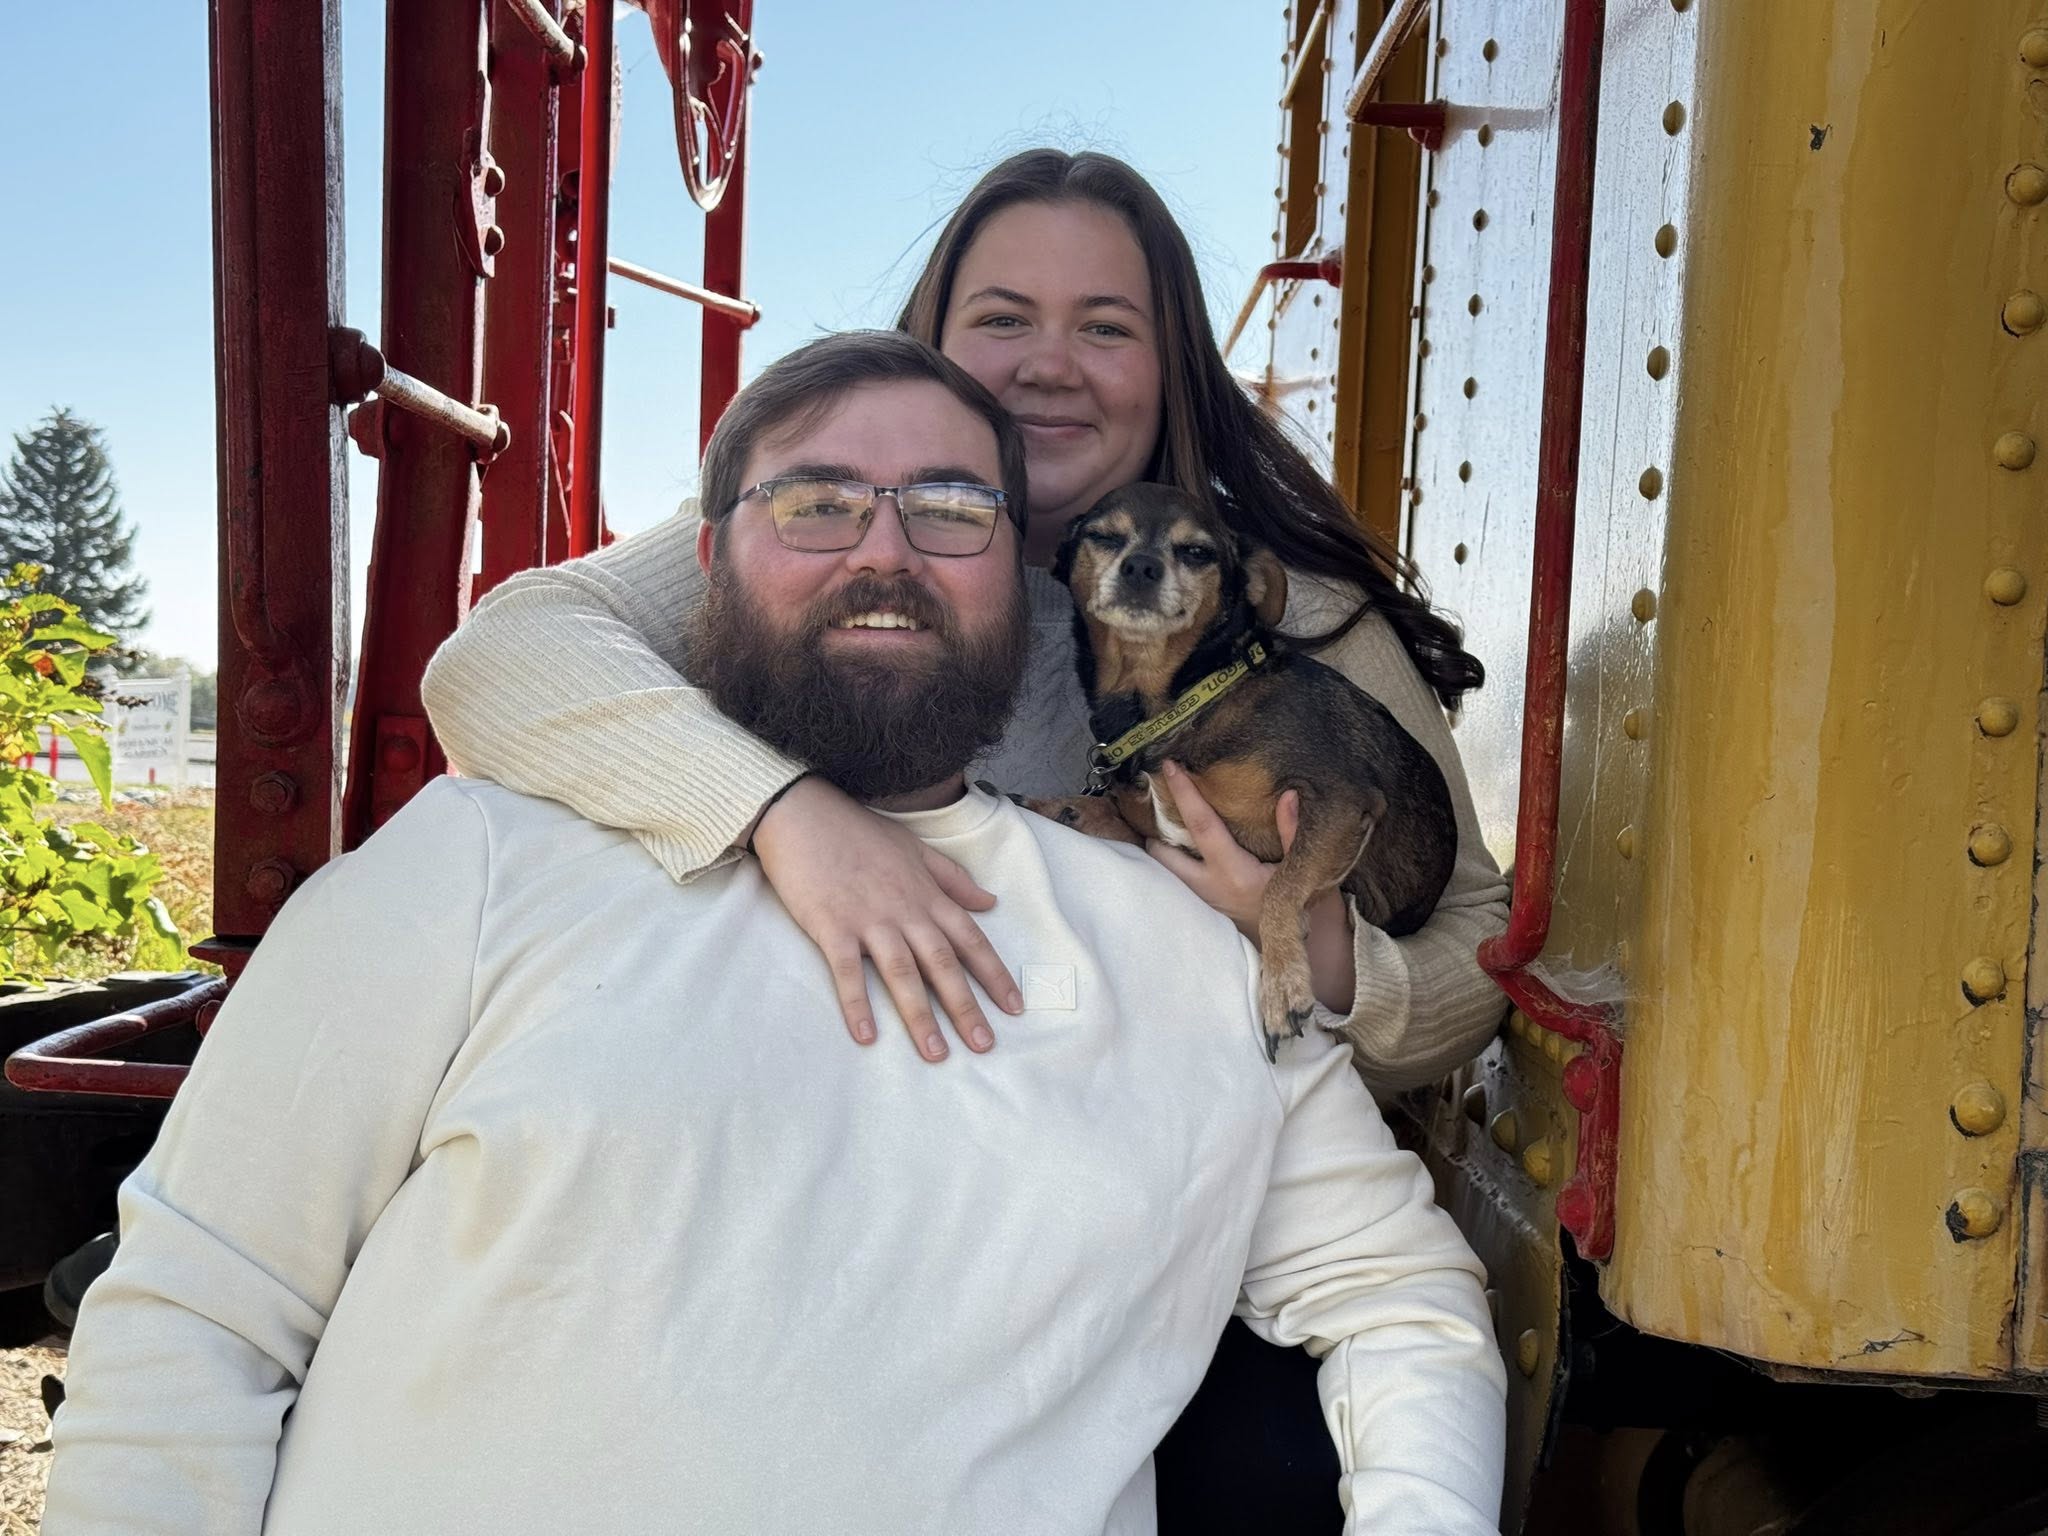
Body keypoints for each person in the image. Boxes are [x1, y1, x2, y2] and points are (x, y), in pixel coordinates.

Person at [43, 332, 1506, 1535]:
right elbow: (197, 1315)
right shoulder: (480, 860)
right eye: (816, 504)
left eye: (951, 509)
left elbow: (1406, 1303)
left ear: (1025, 580)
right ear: (709, 563)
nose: (885, 548)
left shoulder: (1189, 945)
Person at [419, 147, 1513, 1521]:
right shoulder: (831, 530)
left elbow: (1484, 941)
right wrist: (782, 814)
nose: (1050, 365)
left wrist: (1308, 947)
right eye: (1004, 319)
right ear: (930, 338)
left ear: (1170, 367)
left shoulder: (1281, 610)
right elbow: (503, 657)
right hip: (835, 1154)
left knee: (1270, 1464)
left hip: (1153, 1197)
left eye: (1105, 328)